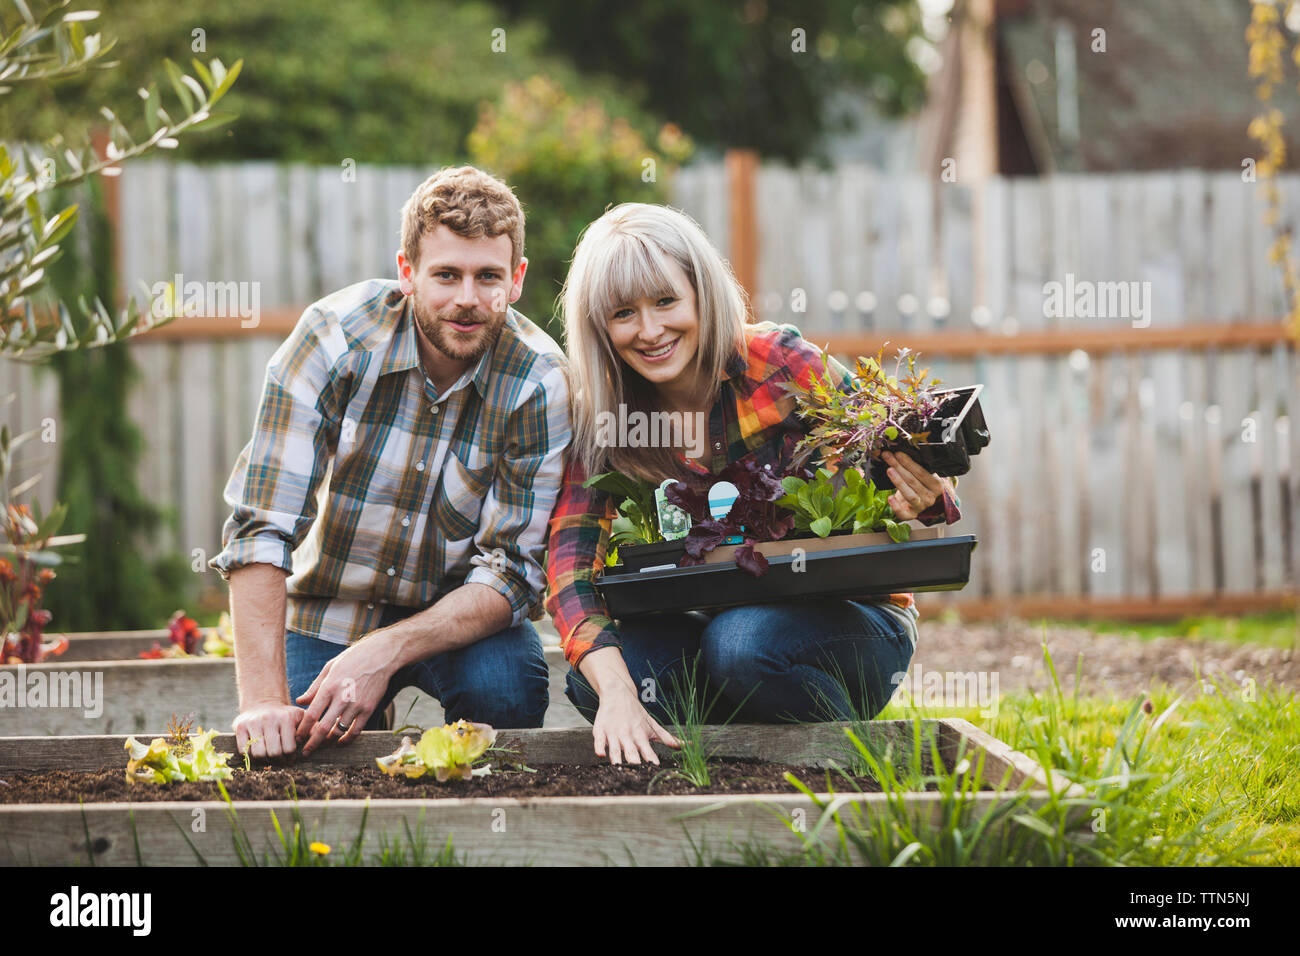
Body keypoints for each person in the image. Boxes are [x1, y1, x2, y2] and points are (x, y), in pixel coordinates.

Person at [545, 203, 961, 766]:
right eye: (624, 313)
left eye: (666, 301)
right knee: (598, 681)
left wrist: (927, 496)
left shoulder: (777, 364)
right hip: (711, 625)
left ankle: (854, 765)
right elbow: (571, 567)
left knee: (742, 645)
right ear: (600, 327)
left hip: (846, 625)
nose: (650, 331)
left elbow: (909, 465)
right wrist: (616, 691)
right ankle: (732, 768)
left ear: (700, 293)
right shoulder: (605, 418)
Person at [210, 166, 571, 758]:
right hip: (327, 606)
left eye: (488, 277)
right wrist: (261, 700)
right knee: (300, 750)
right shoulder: (332, 339)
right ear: (406, 272)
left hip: (457, 616)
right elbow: (262, 526)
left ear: (517, 280)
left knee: (508, 691)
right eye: (446, 274)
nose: (467, 299)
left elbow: (511, 570)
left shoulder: (540, 382)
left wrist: (386, 648)